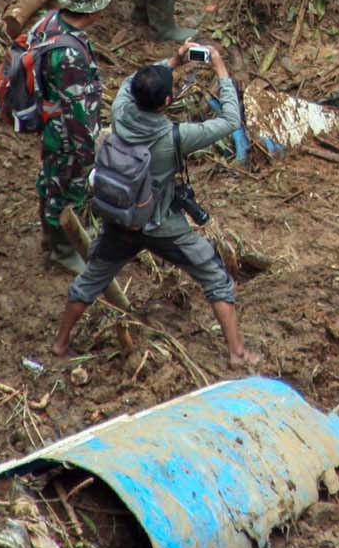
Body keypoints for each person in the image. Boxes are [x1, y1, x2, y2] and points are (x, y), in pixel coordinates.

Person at [52, 50, 258, 372]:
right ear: (166, 102)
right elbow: (231, 121)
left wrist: (172, 60)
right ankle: (237, 353)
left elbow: (129, 84)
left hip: (120, 221)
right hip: (163, 225)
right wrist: (220, 67)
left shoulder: (120, 111)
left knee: (90, 279)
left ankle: (60, 342)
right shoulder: (175, 136)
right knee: (216, 278)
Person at [17, 0, 111, 273]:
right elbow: (76, 110)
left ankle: (53, 239)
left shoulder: (49, 23)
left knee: (51, 180)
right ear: (93, 11)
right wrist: (87, 150)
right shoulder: (70, 54)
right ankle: (62, 250)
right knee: (67, 188)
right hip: (66, 133)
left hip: (50, 120)